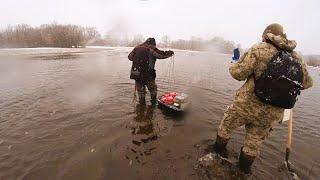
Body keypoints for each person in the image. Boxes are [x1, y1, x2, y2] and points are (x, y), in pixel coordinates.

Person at [213, 23, 313, 174]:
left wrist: (234, 60)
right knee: (253, 143)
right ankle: (243, 171)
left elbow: (237, 74)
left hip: (246, 105)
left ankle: (216, 155)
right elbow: (307, 83)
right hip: (272, 113)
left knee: (226, 126)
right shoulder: (297, 57)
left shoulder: (259, 49)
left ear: (266, 35)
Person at [128, 38, 174, 105]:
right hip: (148, 75)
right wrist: (170, 53)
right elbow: (161, 55)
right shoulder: (151, 49)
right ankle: (153, 104)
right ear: (153, 44)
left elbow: (130, 57)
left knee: (141, 92)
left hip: (136, 74)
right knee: (153, 89)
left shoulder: (137, 48)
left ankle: (141, 106)